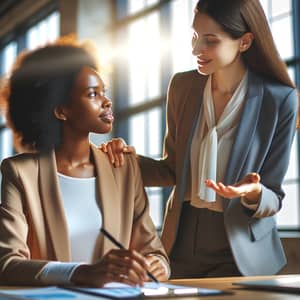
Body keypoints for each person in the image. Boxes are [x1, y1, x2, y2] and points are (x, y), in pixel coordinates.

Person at [101, 0, 299, 279]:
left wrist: (252, 193)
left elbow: (274, 196)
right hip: (181, 240)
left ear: (244, 42)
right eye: (195, 37)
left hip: (242, 249)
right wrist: (122, 159)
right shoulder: (182, 87)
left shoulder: (280, 100)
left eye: (210, 41)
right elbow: (171, 170)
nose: (196, 50)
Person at [0, 39, 169, 286]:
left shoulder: (123, 167)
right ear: (61, 110)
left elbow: (153, 251)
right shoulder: (19, 173)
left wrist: (157, 266)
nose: (107, 101)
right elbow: (7, 264)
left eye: (104, 92)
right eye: (93, 94)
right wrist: (81, 273)